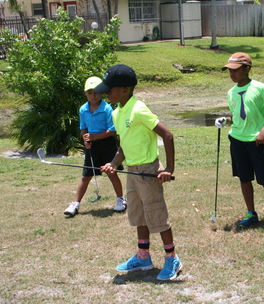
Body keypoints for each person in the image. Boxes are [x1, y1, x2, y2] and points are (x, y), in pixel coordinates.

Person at [97, 64, 182, 281]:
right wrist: (115, 163)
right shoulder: (116, 113)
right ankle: (143, 256)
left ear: (125, 90)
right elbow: (124, 145)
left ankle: (172, 258)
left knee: (157, 216)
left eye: (110, 89)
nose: (106, 92)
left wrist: (168, 168)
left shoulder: (139, 109)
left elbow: (168, 135)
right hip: (133, 172)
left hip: (148, 170)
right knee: (139, 214)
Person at [215, 52, 264, 230]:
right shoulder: (231, 93)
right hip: (237, 140)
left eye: (235, 70)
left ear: (247, 69)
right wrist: (227, 120)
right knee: (244, 178)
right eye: (229, 71)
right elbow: (237, 117)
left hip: (256, 141)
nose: (232, 74)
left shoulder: (259, 88)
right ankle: (251, 213)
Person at [64, 76, 126, 217]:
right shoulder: (83, 109)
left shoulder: (107, 108)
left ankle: (120, 200)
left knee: (111, 172)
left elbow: (112, 130)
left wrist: (94, 137)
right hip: (92, 146)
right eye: (90, 93)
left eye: (96, 92)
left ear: (102, 93)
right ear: (85, 93)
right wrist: (86, 140)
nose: (93, 96)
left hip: (107, 144)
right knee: (86, 176)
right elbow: (83, 127)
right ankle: (75, 204)